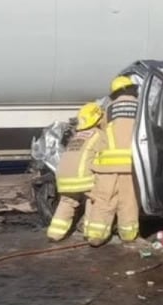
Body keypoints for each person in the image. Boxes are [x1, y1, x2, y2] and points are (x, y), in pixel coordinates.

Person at [85, 75, 141, 246]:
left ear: (114, 93)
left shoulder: (107, 109)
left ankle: (95, 236)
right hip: (131, 166)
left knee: (103, 201)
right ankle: (128, 235)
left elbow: (100, 132)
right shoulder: (142, 107)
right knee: (128, 202)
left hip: (106, 167)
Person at [46, 102, 106, 242]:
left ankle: (54, 234)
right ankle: (89, 232)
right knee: (93, 200)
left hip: (63, 178)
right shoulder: (99, 135)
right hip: (82, 178)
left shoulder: (77, 136)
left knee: (67, 202)